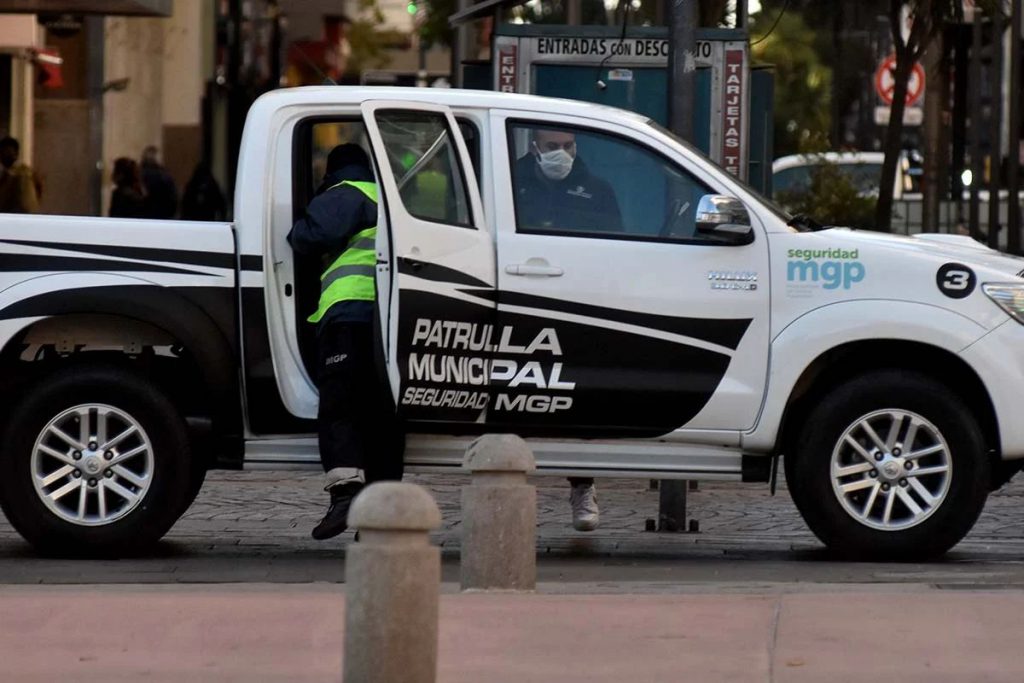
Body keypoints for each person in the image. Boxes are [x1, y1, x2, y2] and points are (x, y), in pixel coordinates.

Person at [288, 143, 404, 540]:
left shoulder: (346, 193)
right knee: (384, 415)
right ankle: (383, 513)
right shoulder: (392, 198)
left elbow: (306, 238)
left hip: (349, 316)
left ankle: (345, 496)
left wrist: (305, 214)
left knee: (341, 406)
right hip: (390, 321)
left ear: (334, 171)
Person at [514, 127, 624, 531]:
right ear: (534, 148)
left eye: (567, 147)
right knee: (516, 398)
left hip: (575, 308)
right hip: (519, 303)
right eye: (551, 147)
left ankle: (582, 485)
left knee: (575, 399)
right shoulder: (511, 182)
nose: (561, 154)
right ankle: (506, 493)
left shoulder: (596, 189)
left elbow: (615, 248)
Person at [0, 136, 40, 214]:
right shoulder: (8, 174)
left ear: (16, 154)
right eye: (2, 153)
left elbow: (24, 204)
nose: (4, 156)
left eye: (8, 153)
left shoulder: (21, 174)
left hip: (17, 218)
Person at [140, 146, 178, 219]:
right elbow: (173, 200)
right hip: (164, 216)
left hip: (146, 216)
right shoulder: (165, 176)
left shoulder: (141, 175)